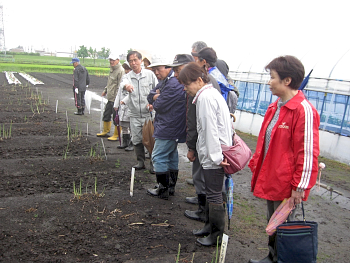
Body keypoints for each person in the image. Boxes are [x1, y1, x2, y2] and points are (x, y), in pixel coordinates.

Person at [247, 56, 320, 263]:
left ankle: (282, 259)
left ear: (287, 81)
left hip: (287, 183)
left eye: (272, 77)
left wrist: (299, 186)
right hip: (273, 176)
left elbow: (307, 152)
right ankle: (273, 256)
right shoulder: (277, 106)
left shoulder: (302, 110)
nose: (269, 82)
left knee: (284, 224)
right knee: (274, 221)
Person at [178, 62, 233, 246]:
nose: (186, 89)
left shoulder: (205, 98)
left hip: (215, 157)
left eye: (187, 85)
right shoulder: (208, 94)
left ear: (199, 80)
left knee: (215, 195)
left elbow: (210, 130)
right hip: (212, 154)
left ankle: (216, 235)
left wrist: (216, 158)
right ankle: (208, 227)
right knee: (211, 194)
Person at [145, 56, 187, 199]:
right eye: (154, 69)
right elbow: (150, 95)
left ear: (168, 68)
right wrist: (156, 96)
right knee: (171, 155)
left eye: (158, 69)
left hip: (169, 126)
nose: (156, 72)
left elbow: (159, 105)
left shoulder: (173, 84)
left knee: (158, 156)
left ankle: (163, 188)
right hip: (170, 125)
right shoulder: (165, 82)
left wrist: (156, 98)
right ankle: (169, 187)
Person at [120, 51, 158, 171]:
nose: (133, 63)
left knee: (151, 139)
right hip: (135, 114)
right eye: (131, 61)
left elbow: (157, 90)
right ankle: (140, 162)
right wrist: (127, 86)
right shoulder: (127, 76)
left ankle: (153, 164)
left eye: (135, 60)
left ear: (141, 61)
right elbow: (123, 84)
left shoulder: (149, 75)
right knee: (136, 139)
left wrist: (152, 103)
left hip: (148, 114)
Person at [97, 54, 124, 141]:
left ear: (118, 60)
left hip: (116, 98)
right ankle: (105, 131)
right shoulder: (112, 69)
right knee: (106, 114)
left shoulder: (120, 71)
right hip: (110, 97)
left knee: (116, 117)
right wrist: (105, 90)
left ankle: (116, 135)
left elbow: (120, 85)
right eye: (110, 60)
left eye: (113, 60)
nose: (111, 62)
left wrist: (118, 98)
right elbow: (110, 82)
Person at [114, 62, 133, 151]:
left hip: (130, 106)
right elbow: (119, 93)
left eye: (128, 69)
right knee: (124, 125)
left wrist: (124, 101)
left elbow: (133, 94)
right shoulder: (124, 79)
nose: (126, 71)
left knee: (131, 126)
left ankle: (132, 143)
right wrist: (116, 104)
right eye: (125, 69)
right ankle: (125, 142)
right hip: (122, 106)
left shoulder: (133, 79)